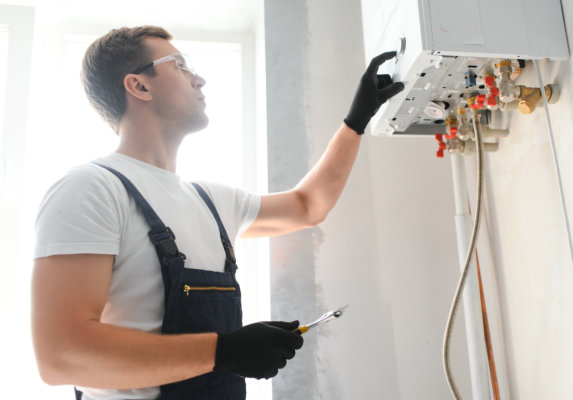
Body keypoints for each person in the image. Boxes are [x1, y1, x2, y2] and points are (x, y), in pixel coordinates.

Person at [31, 25, 403, 400]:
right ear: (138, 86)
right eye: (179, 65)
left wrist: (356, 121)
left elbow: (308, 206)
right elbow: (62, 356)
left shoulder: (210, 201)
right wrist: (225, 350)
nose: (199, 79)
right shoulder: (91, 189)